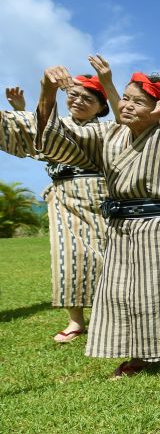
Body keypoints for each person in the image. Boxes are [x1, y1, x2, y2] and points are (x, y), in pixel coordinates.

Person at [35, 65, 160, 378]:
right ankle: (137, 355)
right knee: (124, 293)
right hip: (123, 229)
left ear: (157, 110)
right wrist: (46, 91)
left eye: (136, 102)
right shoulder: (109, 135)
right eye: (124, 99)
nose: (125, 105)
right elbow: (57, 139)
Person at [0, 56, 118, 343]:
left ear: (101, 106)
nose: (77, 101)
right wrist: (24, 109)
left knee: (108, 258)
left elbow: (126, 123)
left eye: (87, 98)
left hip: (98, 197)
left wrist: (107, 82)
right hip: (63, 197)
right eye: (73, 95)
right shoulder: (61, 123)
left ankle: (111, 315)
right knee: (68, 259)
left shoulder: (106, 129)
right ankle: (76, 321)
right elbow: (42, 138)